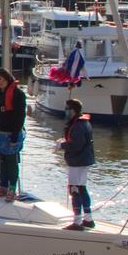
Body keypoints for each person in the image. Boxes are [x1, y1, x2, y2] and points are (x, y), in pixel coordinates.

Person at [0, 67, 27, 201]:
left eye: (0, 79)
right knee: (1, 161)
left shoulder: (17, 94)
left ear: (7, 79)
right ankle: (2, 187)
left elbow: (20, 115)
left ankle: (12, 189)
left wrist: (15, 132)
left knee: (11, 161)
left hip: (11, 132)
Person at [57, 98, 96, 229]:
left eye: (67, 109)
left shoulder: (78, 125)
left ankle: (77, 221)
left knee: (74, 189)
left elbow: (76, 145)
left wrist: (61, 145)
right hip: (84, 160)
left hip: (77, 161)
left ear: (73, 111)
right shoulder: (84, 122)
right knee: (81, 188)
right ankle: (88, 218)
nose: (65, 111)